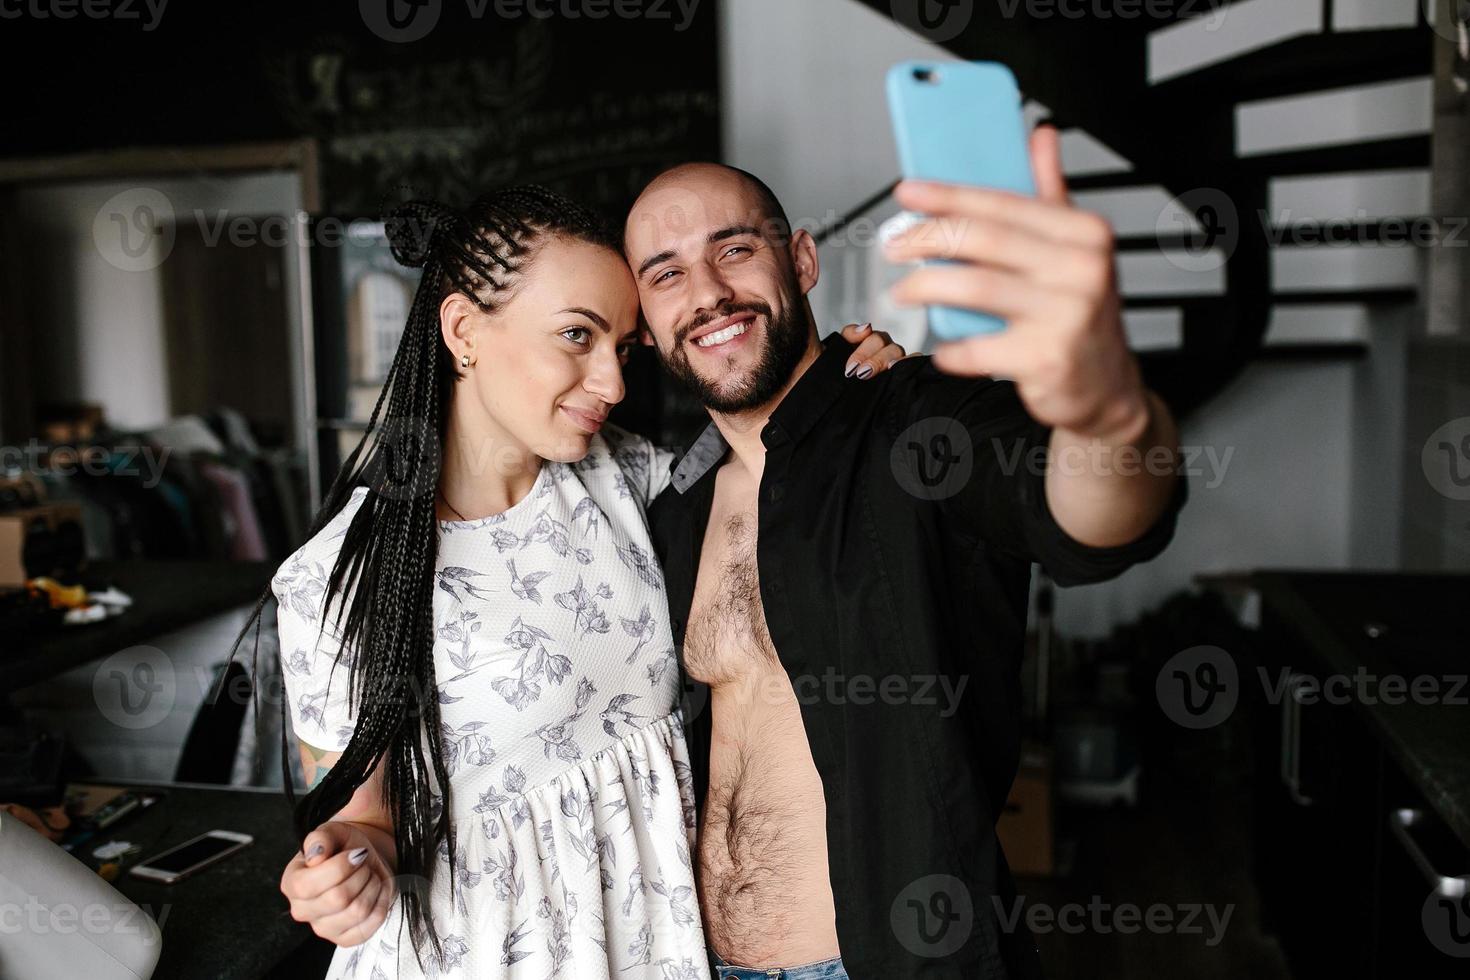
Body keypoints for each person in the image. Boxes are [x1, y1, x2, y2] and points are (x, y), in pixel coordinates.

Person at [234, 186, 907, 979]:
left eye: (622, 346)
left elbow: (766, 458)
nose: (613, 382)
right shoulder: (338, 577)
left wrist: (842, 384)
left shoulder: (629, 476)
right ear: (462, 331)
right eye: (576, 336)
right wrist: (346, 870)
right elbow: (361, 820)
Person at [623, 124, 1188, 979]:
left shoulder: (916, 425)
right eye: (666, 273)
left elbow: (1082, 514)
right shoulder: (674, 507)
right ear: (646, 322)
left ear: (802, 261)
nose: (706, 292)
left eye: (733, 248)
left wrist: (1106, 413)